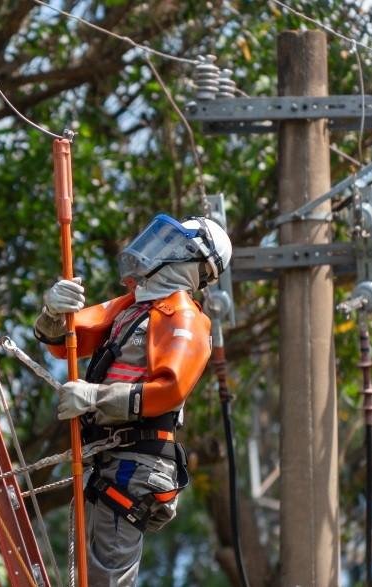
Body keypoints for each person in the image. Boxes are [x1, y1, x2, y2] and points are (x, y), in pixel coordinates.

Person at [34, 214, 232, 585]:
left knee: (105, 579)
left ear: (194, 262)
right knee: (89, 578)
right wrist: (53, 313)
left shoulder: (184, 317)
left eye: (172, 243)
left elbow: (168, 390)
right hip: (107, 457)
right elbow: (63, 342)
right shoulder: (132, 307)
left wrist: (94, 397)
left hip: (134, 463)